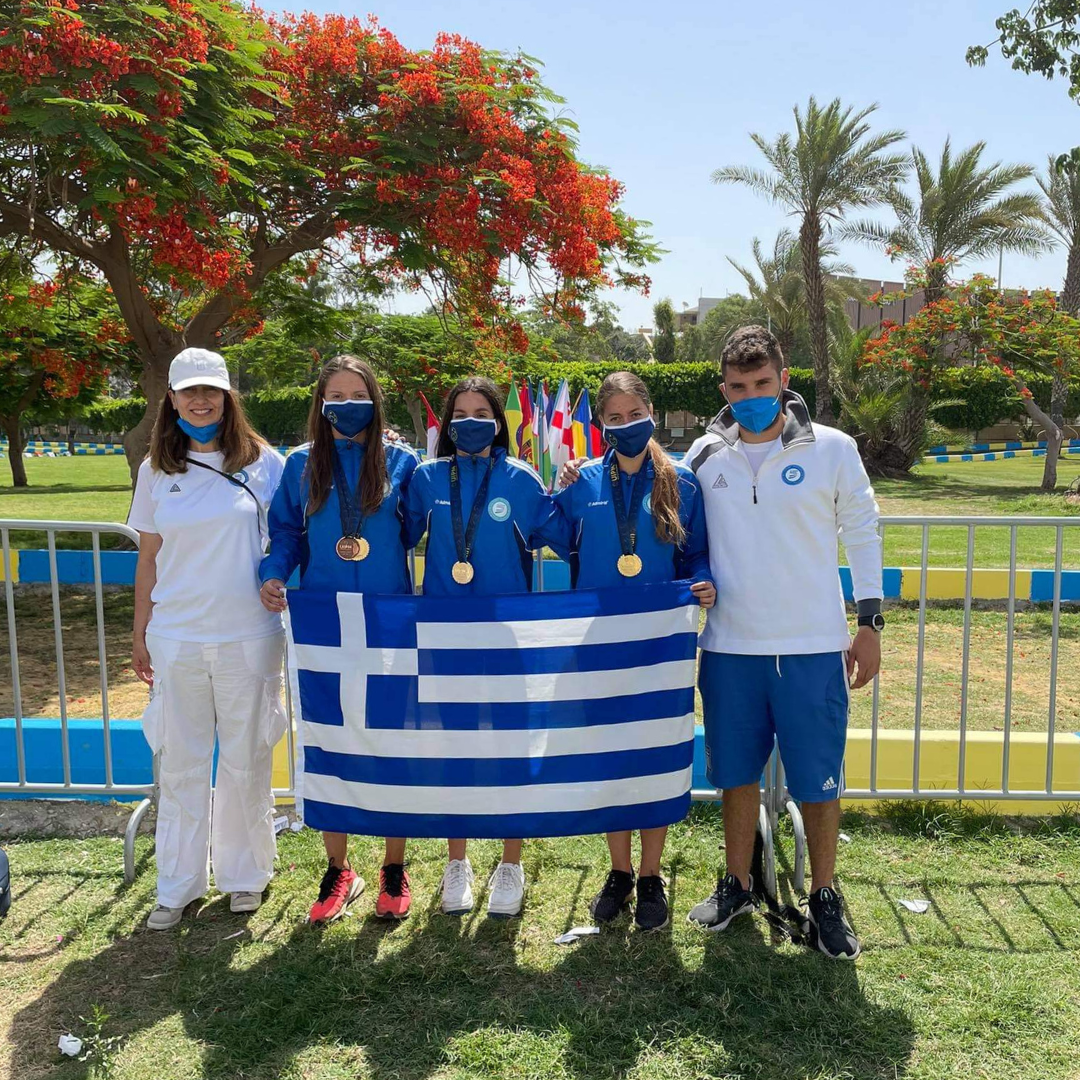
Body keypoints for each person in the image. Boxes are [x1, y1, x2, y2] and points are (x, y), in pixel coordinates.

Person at [682, 325, 883, 959]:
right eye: (738, 388)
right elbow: (676, 530)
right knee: (734, 777)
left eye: (762, 384)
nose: (751, 396)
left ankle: (824, 895)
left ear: (784, 379)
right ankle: (738, 883)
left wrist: (870, 625)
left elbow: (865, 533)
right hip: (729, 649)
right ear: (724, 389)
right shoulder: (703, 456)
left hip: (812, 646)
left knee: (819, 782)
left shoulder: (834, 448)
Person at [128, 347, 287, 931]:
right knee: (182, 763)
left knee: (247, 759)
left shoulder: (265, 464)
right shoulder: (155, 471)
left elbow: (287, 541)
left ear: (228, 398)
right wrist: (140, 629)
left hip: (249, 633)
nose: (201, 401)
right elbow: (150, 556)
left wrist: (279, 581)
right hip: (178, 637)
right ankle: (177, 884)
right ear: (170, 399)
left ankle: (246, 879)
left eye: (211, 392)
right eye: (189, 392)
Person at [259, 355, 420, 925]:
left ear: (374, 401)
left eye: (358, 395)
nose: (347, 405)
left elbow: (435, 524)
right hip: (325, 624)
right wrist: (273, 571)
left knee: (391, 741)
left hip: (389, 621)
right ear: (321, 403)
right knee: (330, 741)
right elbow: (285, 532)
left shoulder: (403, 462)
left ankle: (394, 868)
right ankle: (338, 867)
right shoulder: (302, 465)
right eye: (337, 395)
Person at [553, 371, 715, 931]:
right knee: (609, 755)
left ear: (651, 409)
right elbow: (546, 532)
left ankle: (651, 874)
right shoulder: (582, 482)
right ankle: (618, 871)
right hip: (594, 643)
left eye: (633, 413)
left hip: (657, 646)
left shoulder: (683, 481)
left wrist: (703, 582)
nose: (625, 424)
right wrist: (557, 482)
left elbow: (694, 555)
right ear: (600, 423)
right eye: (613, 417)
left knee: (651, 753)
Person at [404, 376, 564, 919]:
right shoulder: (426, 478)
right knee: (454, 748)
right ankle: (458, 862)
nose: (470, 422)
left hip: (507, 637)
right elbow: (393, 535)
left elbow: (566, 534)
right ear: (448, 424)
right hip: (444, 634)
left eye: (482, 412)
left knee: (510, 748)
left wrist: (568, 485)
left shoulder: (521, 479)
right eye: (460, 413)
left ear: (498, 422)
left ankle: (511, 862)